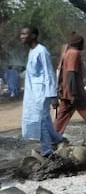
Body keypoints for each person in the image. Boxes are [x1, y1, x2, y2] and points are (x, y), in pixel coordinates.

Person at [19, 26, 65, 157]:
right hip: (33, 94)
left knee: (41, 121)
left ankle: (47, 150)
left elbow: (49, 73)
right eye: (21, 34)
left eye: (24, 34)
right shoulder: (32, 51)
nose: (21, 36)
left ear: (33, 35)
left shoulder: (42, 51)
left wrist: (53, 96)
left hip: (42, 93)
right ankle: (58, 140)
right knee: (44, 119)